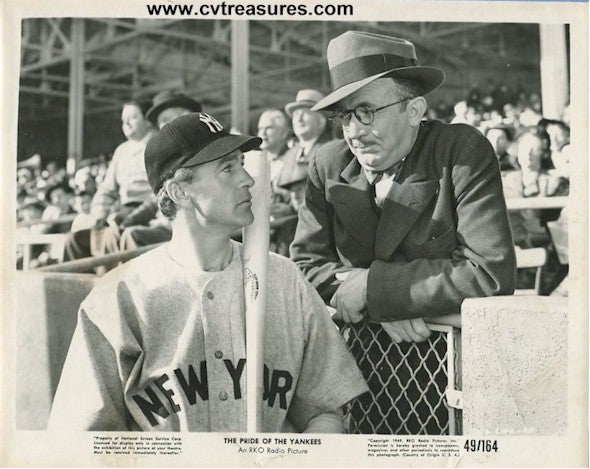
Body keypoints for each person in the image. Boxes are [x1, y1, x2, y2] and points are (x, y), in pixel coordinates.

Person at [48, 112, 368, 432]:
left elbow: (324, 412)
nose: (247, 179)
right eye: (227, 168)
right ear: (180, 192)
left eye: (242, 164)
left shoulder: (284, 280)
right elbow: (80, 441)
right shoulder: (119, 298)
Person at [290, 31, 516, 434]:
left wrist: (373, 290)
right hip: (352, 375)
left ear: (414, 110)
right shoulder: (327, 164)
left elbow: (490, 272)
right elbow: (304, 266)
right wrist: (382, 299)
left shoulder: (459, 150)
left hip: (447, 377)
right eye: (343, 116)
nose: (353, 131)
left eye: (365, 111)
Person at [63, 100, 156, 259]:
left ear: (147, 121)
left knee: (113, 238)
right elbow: (106, 189)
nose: (125, 123)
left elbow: (159, 193)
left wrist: (132, 216)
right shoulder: (122, 150)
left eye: (132, 117)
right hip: (120, 213)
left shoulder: (158, 144)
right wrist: (99, 215)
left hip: (150, 215)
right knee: (74, 240)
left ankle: (109, 282)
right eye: (123, 119)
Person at [116, 91, 203, 251]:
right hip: (167, 222)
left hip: (193, 227)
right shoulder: (171, 152)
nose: (162, 127)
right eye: (160, 122)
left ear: (186, 116)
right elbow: (158, 196)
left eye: (166, 119)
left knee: (132, 235)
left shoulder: (201, 148)